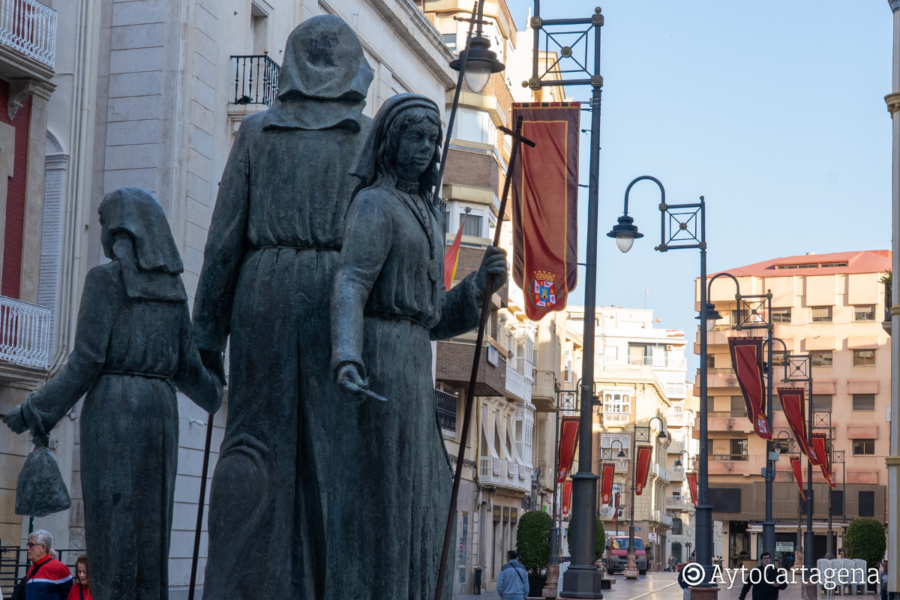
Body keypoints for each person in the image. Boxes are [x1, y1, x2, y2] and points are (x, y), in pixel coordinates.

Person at [192, 16, 375, 600]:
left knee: (254, 443)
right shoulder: (367, 137)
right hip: (336, 296)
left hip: (263, 290)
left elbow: (224, 241)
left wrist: (206, 331)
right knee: (333, 452)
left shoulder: (256, 133)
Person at [3, 189, 222, 599]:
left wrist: (35, 410)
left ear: (120, 230)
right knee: (152, 528)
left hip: (114, 411)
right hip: (160, 413)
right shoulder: (173, 292)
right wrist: (218, 385)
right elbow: (192, 372)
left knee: (113, 530)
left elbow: (85, 361)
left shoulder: (104, 280)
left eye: (105, 224)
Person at [331, 93, 507, 598]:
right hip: (381, 356)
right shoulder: (374, 204)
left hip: (414, 361)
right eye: (414, 136)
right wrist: (347, 354)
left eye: (432, 139)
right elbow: (350, 283)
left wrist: (477, 289)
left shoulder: (430, 213)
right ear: (390, 140)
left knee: (428, 498)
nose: (425, 147)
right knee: (387, 500)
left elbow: (432, 316)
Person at [14, 530, 72, 600]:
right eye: (27, 545)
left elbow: (70, 595)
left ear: (43, 547)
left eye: (31, 545)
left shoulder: (59, 568)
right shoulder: (31, 568)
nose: (27, 548)